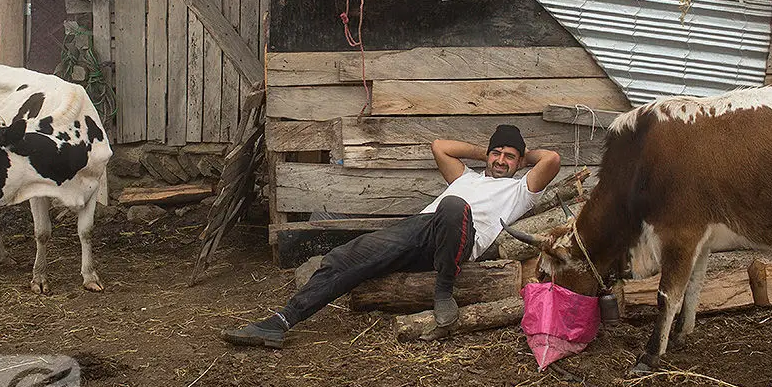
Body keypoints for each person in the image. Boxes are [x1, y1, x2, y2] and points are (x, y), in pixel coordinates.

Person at [223, 124, 561, 349]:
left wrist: (522, 156)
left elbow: (552, 159)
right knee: (343, 257)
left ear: (519, 162)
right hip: (418, 230)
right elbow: (440, 146)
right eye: (496, 153)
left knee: (454, 206)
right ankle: (281, 321)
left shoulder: (519, 191)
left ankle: (443, 290)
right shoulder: (465, 177)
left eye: (509, 156)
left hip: (456, 241)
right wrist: (486, 150)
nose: (501, 160)